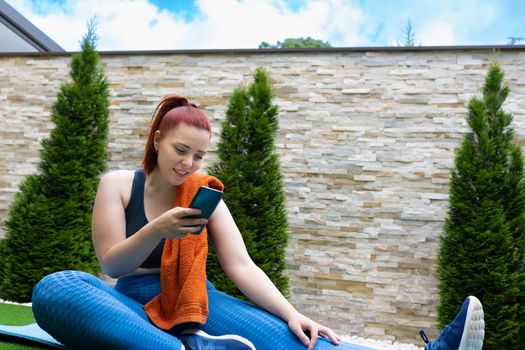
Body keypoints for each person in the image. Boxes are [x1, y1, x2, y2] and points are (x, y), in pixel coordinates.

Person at [31, 95, 485, 350]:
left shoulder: (204, 194)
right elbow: (112, 266)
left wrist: (293, 314)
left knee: (301, 342)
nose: (189, 163)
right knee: (56, 289)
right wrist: (158, 229)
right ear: (157, 140)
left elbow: (242, 265)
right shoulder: (117, 185)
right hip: (131, 303)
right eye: (180, 150)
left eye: (199, 155)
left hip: (196, 301)